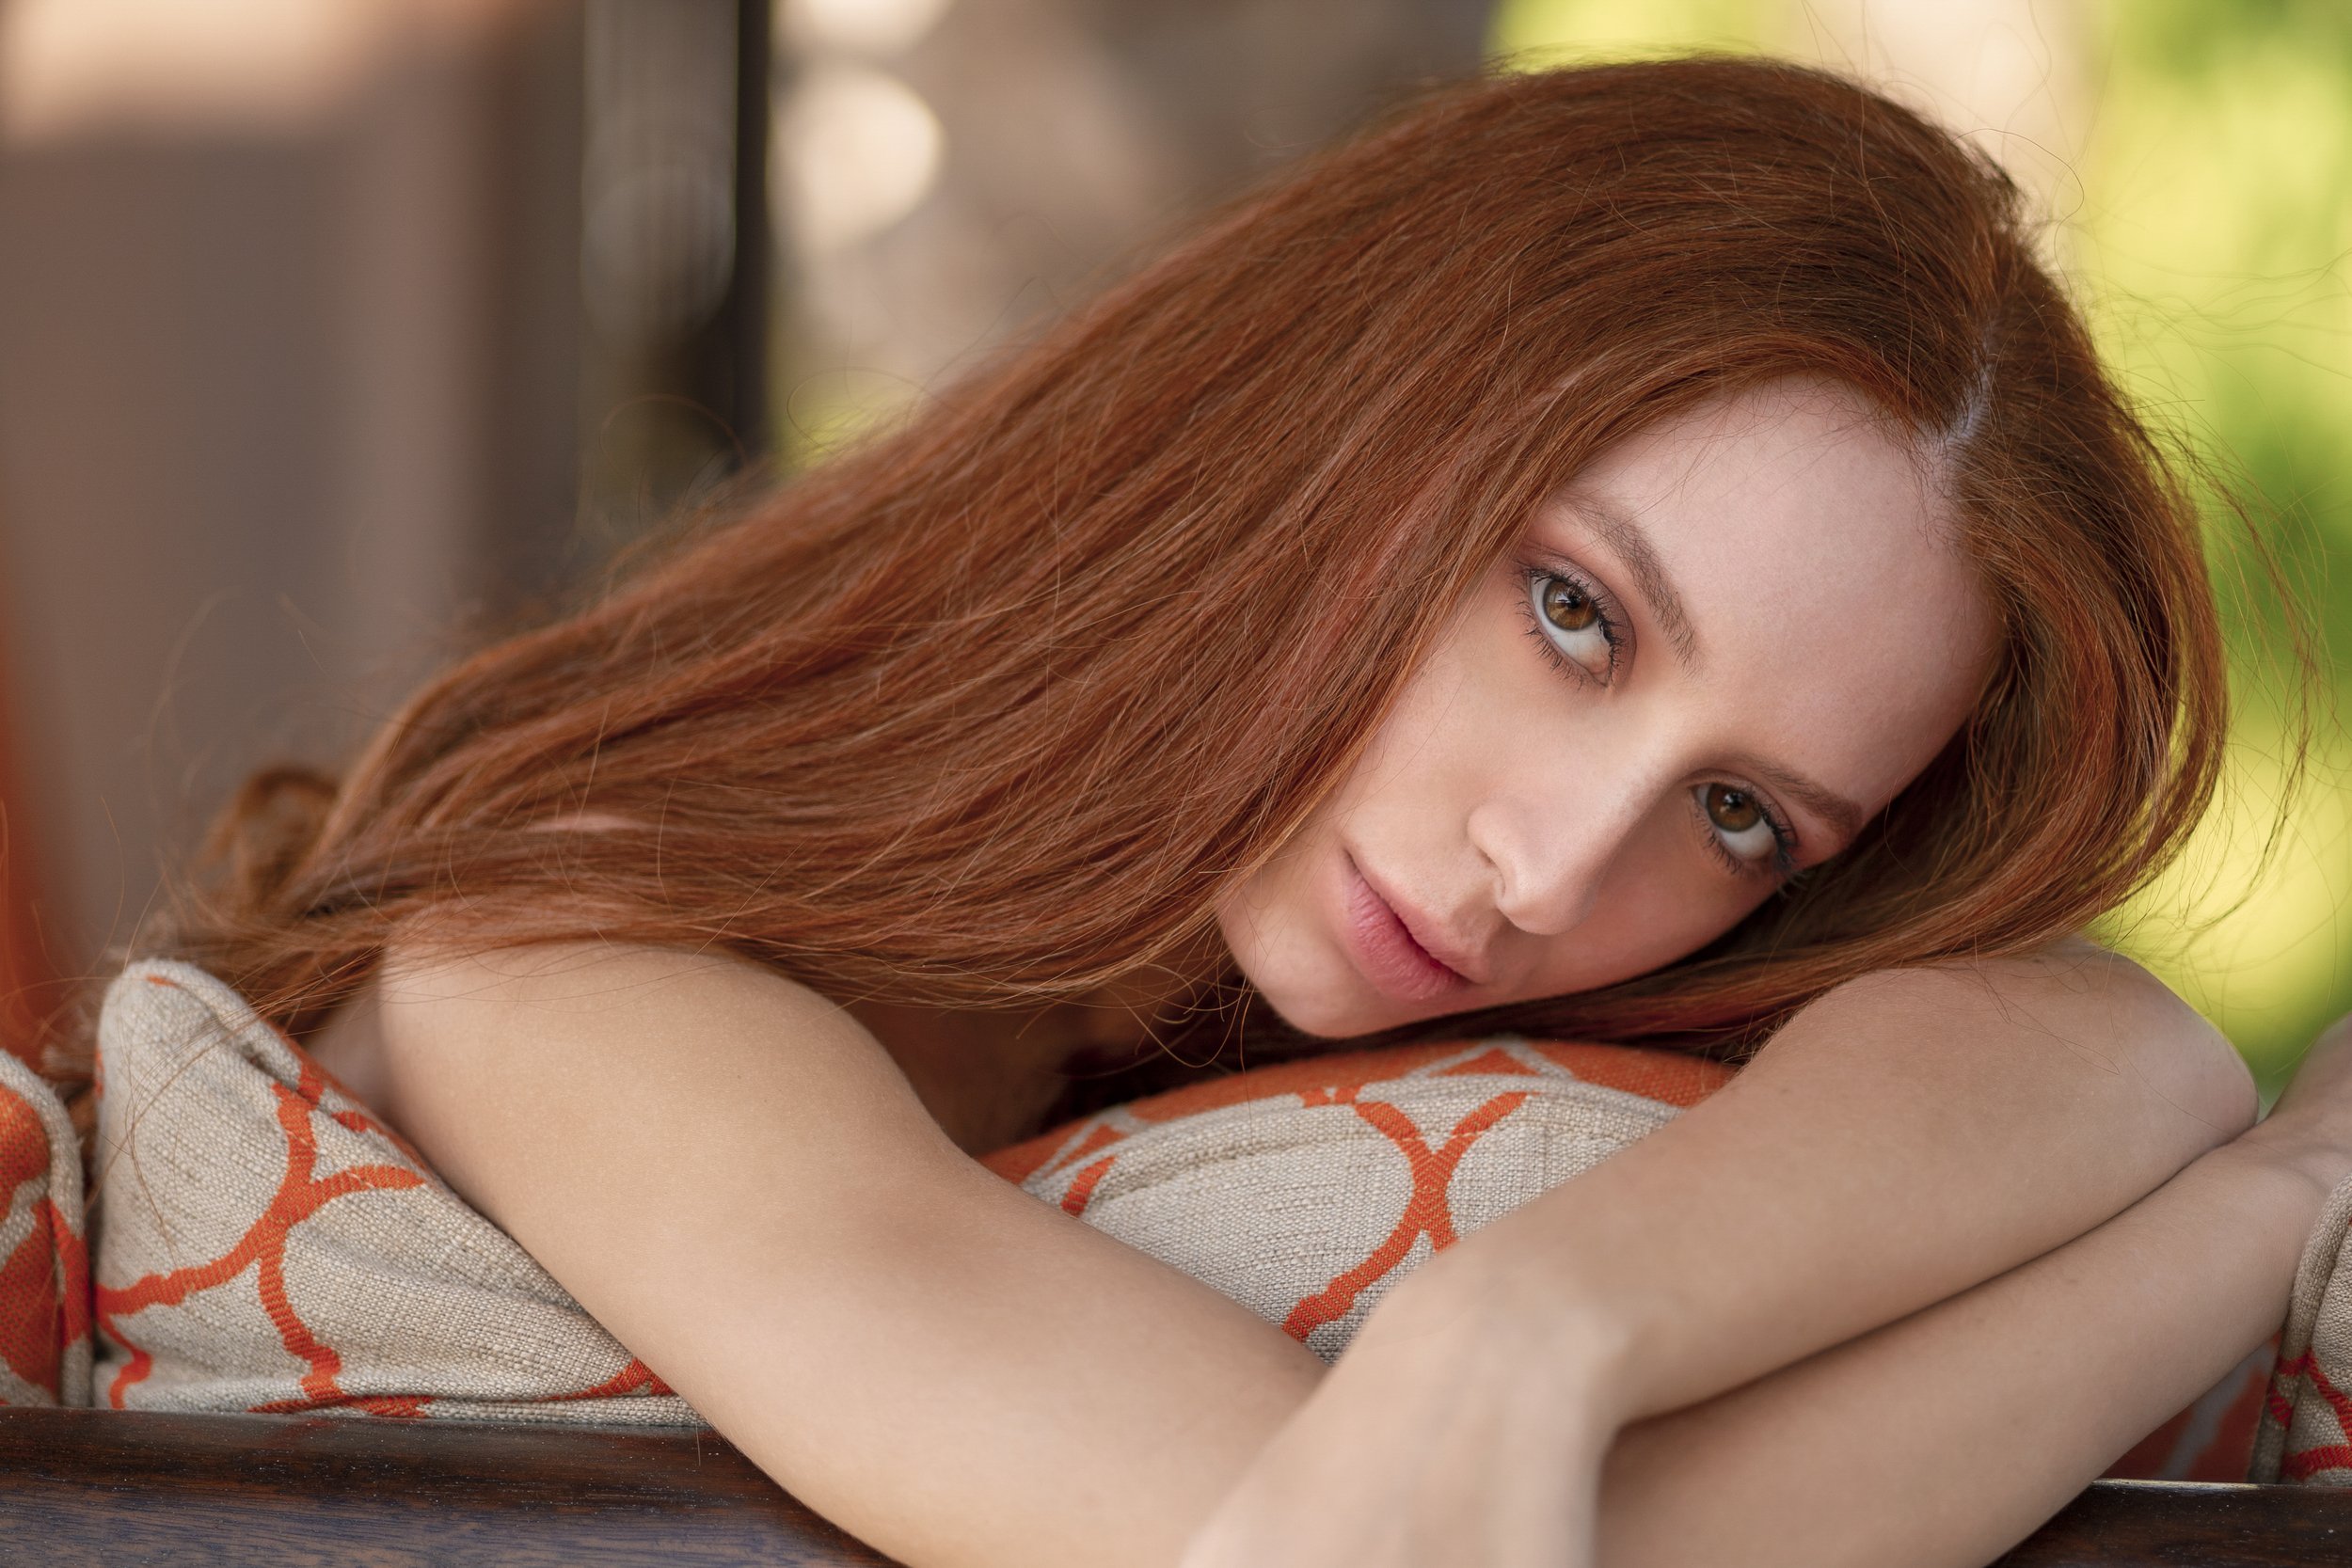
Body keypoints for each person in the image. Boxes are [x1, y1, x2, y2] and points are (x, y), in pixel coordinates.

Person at [116, 55, 2349, 1568]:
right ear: (1330, 428)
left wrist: (1567, 1313)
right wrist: (2251, 1233)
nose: (1557, 871)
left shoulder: (1212, 1018)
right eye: (1572, 611)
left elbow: (2100, 1042)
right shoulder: (569, 951)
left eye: (1745, 815)